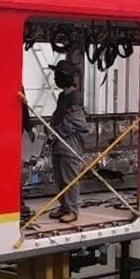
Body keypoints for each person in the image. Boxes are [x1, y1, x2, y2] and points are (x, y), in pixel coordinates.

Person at [48, 60, 88, 224]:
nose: (55, 78)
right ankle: (64, 206)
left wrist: (57, 131)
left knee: (69, 178)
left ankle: (72, 209)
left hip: (69, 143)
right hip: (58, 142)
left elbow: (77, 122)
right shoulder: (61, 96)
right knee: (59, 177)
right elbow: (58, 115)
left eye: (58, 75)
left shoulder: (75, 97)